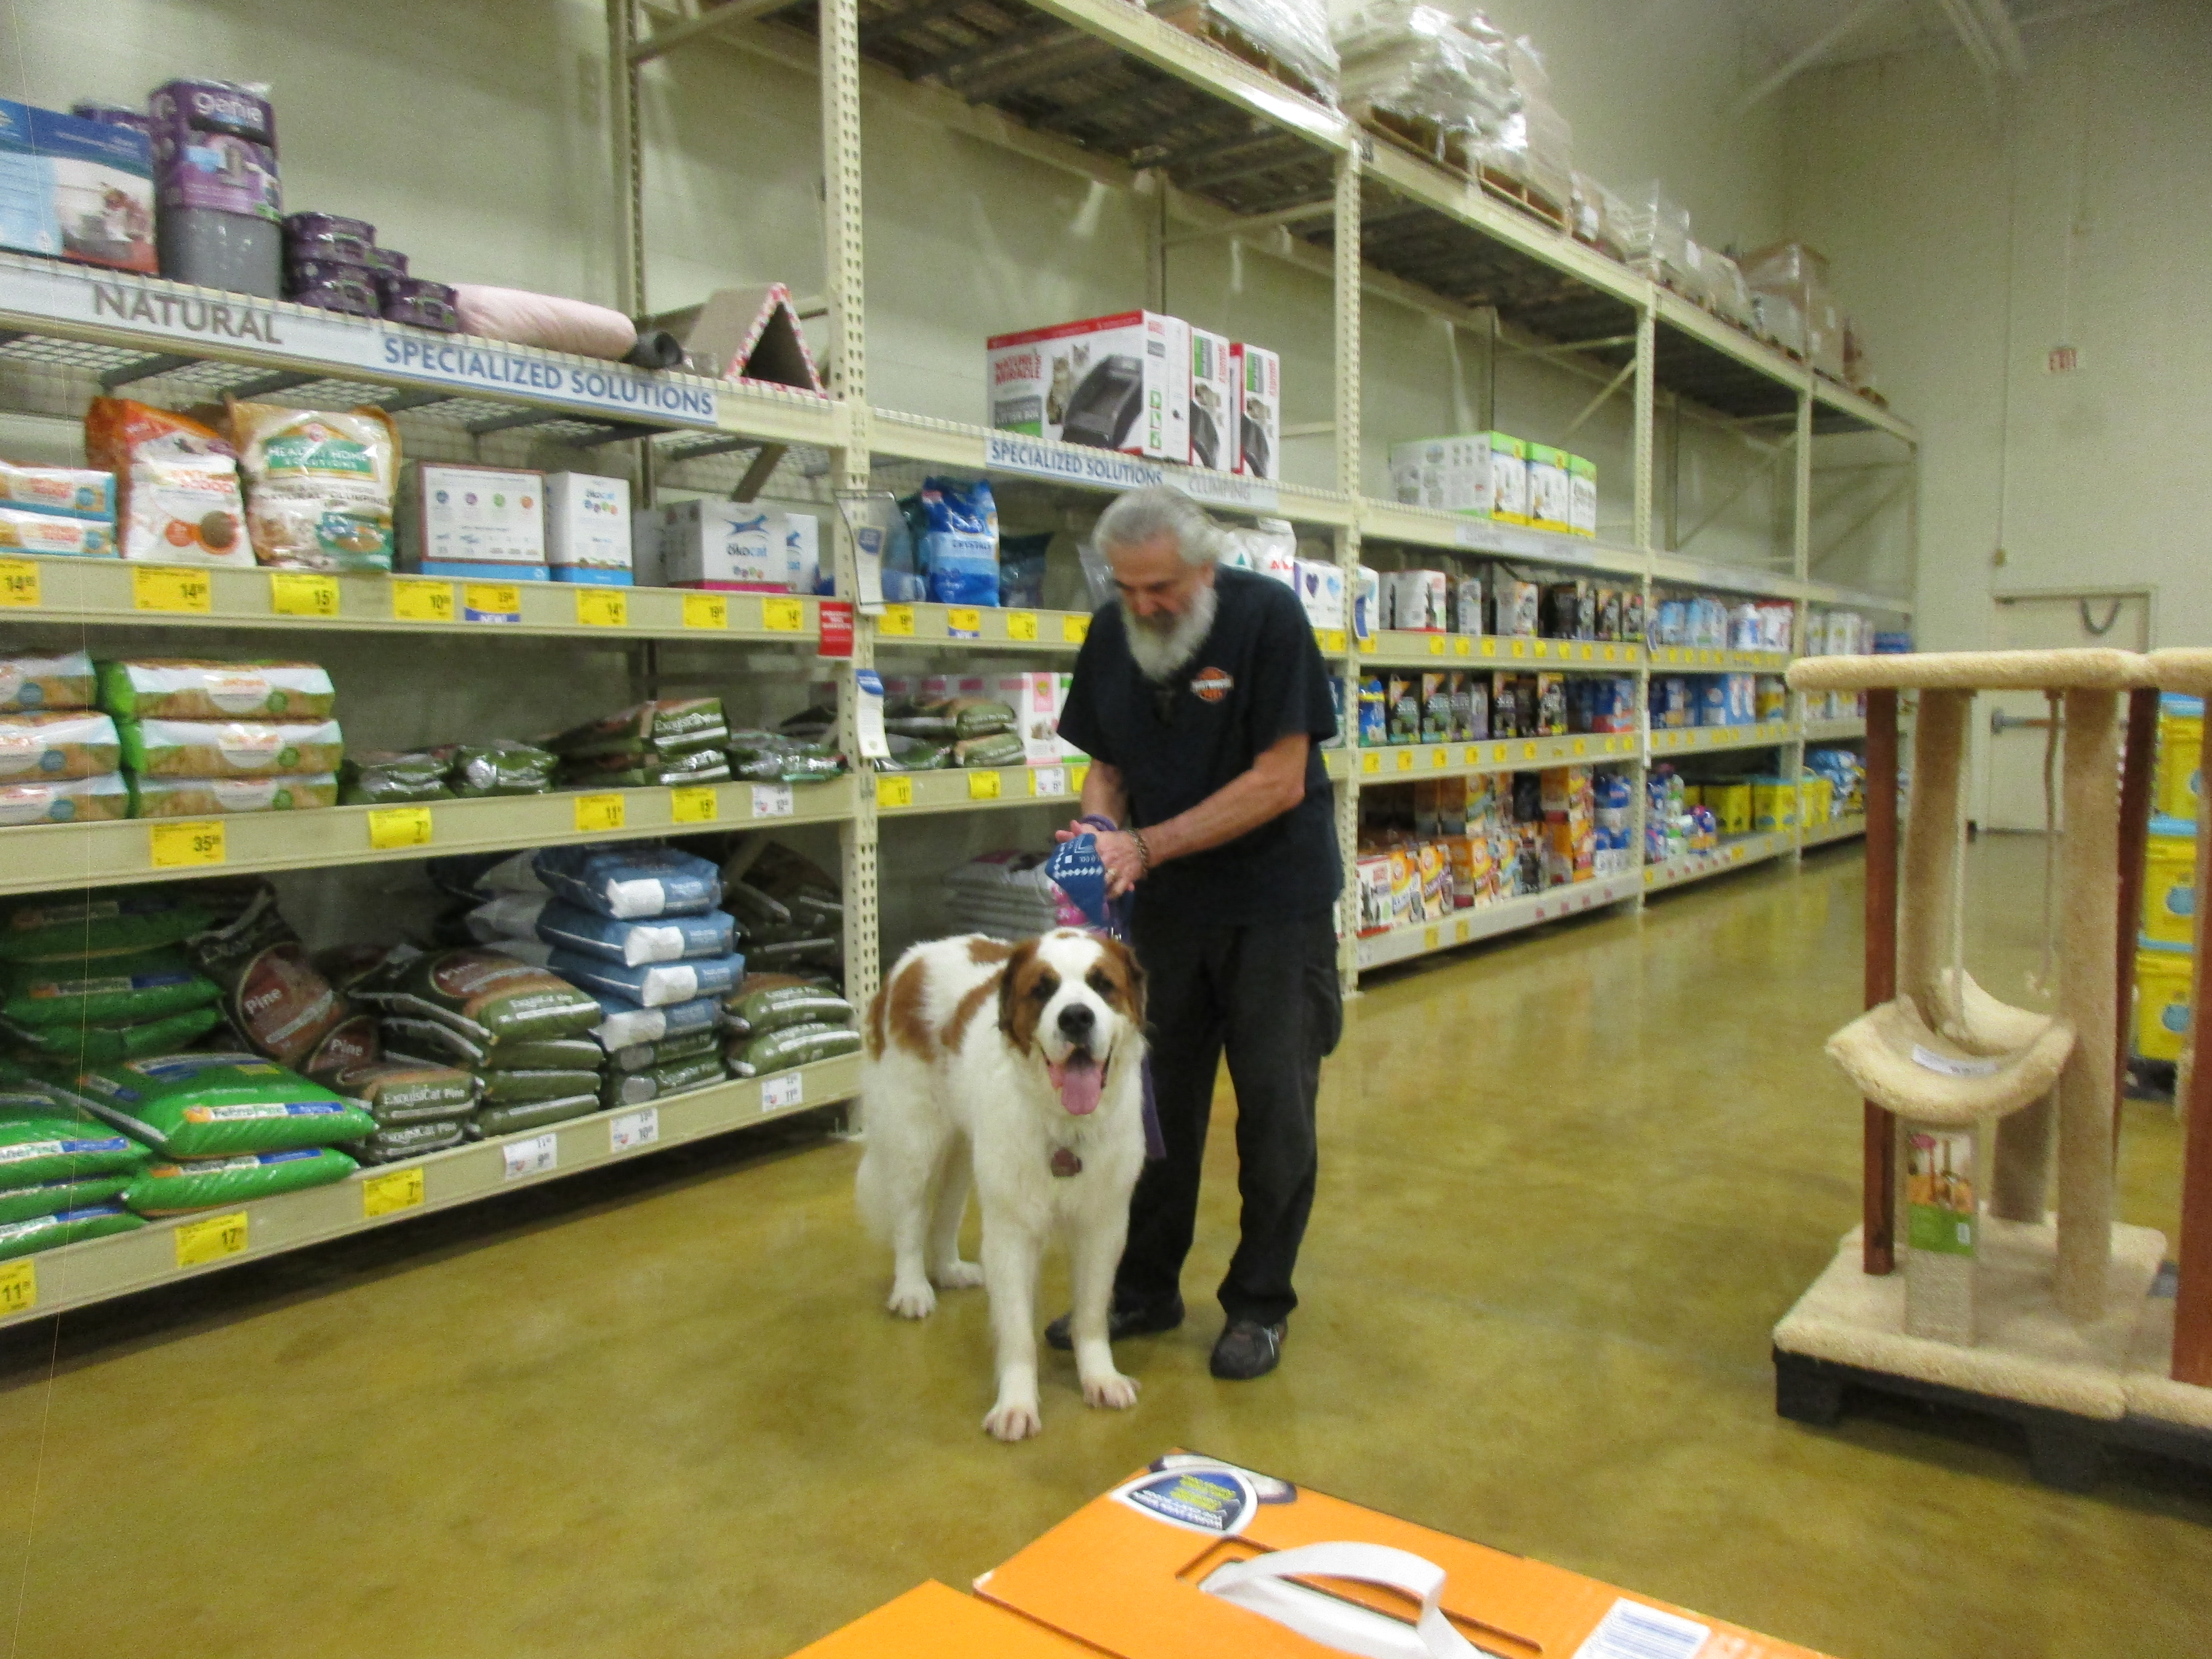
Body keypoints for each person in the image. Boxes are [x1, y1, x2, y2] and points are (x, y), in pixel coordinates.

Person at [1045, 485, 1343, 1380]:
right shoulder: (1112, 636)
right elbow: (1106, 768)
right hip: (1165, 916)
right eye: (1127, 588)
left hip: (1274, 908)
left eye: (1161, 588)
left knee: (1275, 1114)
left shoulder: (1267, 620)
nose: (1143, 606)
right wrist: (1100, 835)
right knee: (1150, 1112)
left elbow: (1279, 780)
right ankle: (1143, 1289)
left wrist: (1145, 845)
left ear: (1205, 570)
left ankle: (1258, 1305)